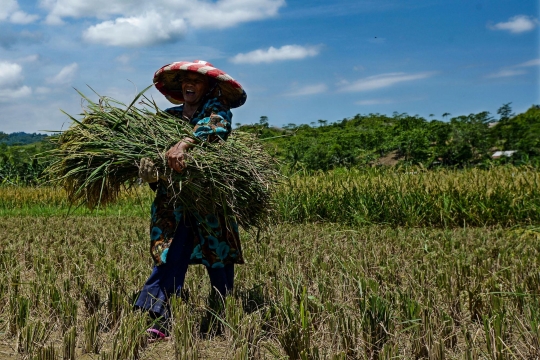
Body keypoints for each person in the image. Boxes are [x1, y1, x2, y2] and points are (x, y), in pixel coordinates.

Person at [135, 60, 247, 341]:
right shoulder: (165, 120)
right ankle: (158, 320)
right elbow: (152, 157)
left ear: (207, 86)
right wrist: (149, 176)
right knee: (168, 256)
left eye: (196, 81)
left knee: (218, 257)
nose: (189, 84)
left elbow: (214, 127)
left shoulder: (216, 111)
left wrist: (184, 144)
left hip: (209, 201)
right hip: (172, 204)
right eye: (185, 80)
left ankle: (223, 314)